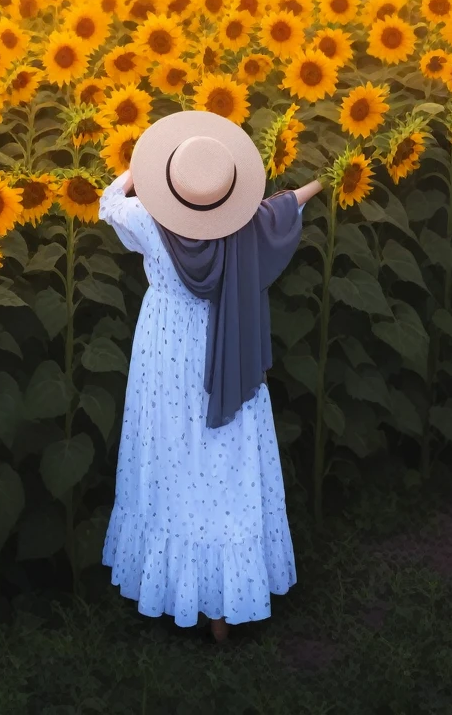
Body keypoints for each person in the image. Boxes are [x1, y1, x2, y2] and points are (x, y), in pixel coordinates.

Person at [98, 109, 322, 643]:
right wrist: (318, 183)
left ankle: (178, 587)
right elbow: (288, 203)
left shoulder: (147, 219)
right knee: (226, 457)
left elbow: (107, 204)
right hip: (227, 347)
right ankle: (228, 597)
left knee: (169, 453)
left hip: (164, 350)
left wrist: (136, 169)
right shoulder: (246, 224)